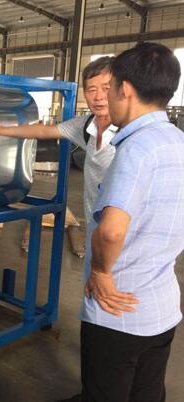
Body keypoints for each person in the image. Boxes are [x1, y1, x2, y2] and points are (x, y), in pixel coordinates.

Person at [64, 42, 184, 402]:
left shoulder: (136, 148)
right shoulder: (177, 140)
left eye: (110, 87)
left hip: (117, 311)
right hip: (161, 308)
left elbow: (112, 230)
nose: (104, 97)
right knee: (147, 393)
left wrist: (101, 273)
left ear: (125, 90)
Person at [0, 56, 116, 221]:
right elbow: (43, 131)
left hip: (124, 231)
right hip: (95, 226)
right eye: (92, 90)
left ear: (121, 90)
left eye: (106, 88)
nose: (99, 97)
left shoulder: (132, 135)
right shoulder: (85, 126)